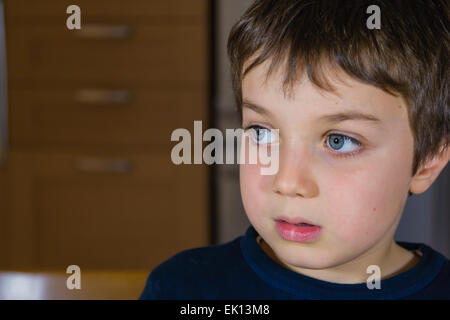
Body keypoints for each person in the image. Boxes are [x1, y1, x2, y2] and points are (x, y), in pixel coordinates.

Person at [139, 0, 450, 299]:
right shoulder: (183, 288)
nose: (287, 182)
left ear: (427, 162)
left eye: (339, 141)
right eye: (261, 133)